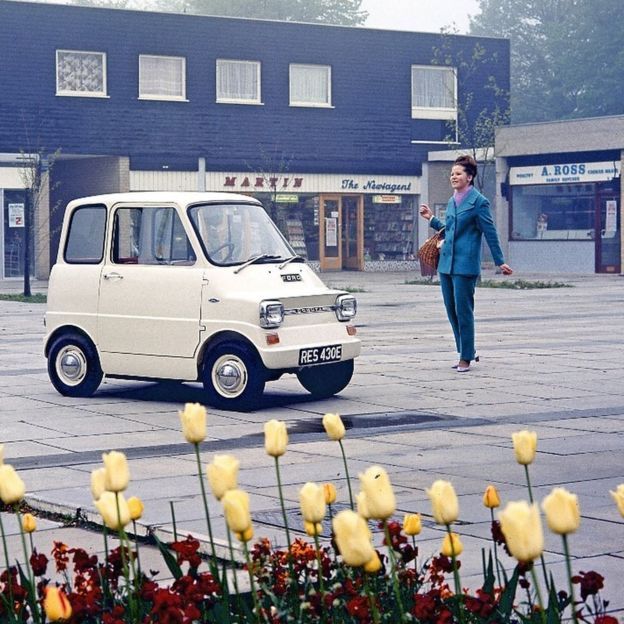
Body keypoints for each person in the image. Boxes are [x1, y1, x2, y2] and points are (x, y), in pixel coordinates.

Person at [419, 155, 513, 372]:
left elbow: (490, 233)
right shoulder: (452, 201)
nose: (453, 177)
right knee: (451, 310)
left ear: (469, 177)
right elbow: (450, 229)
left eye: (458, 173)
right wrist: (431, 218)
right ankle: (466, 350)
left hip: (465, 266)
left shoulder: (479, 202)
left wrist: (500, 261)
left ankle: (466, 357)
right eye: (452, 173)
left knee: (464, 311)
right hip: (446, 264)